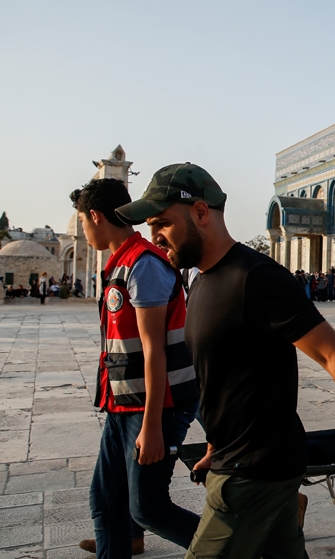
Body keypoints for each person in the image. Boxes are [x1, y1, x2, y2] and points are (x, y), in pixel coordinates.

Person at [116, 162, 335, 559]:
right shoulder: (201, 279)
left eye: (162, 224)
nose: (154, 236)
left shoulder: (256, 276)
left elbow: (334, 354)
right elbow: (225, 374)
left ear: (201, 212)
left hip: (252, 474)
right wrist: (215, 443)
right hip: (248, 464)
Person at [70, 178, 201, 558]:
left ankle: (238, 548)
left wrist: (152, 425)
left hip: (155, 406)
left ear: (95, 216)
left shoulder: (142, 265)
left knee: (147, 508)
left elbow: (154, 349)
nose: (83, 229)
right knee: (106, 497)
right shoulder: (121, 262)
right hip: (124, 404)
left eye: (82, 221)